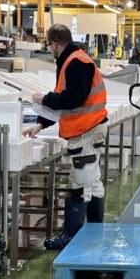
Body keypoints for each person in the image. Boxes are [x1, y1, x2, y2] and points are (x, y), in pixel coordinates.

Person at [24, 24, 108, 249]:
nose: (49, 49)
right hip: (90, 128)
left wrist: (45, 99)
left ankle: (71, 236)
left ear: (55, 44)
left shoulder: (76, 63)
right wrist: (41, 124)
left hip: (85, 131)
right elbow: (66, 102)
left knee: (80, 183)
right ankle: (94, 230)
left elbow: (73, 98)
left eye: (49, 45)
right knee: (93, 181)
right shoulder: (72, 60)